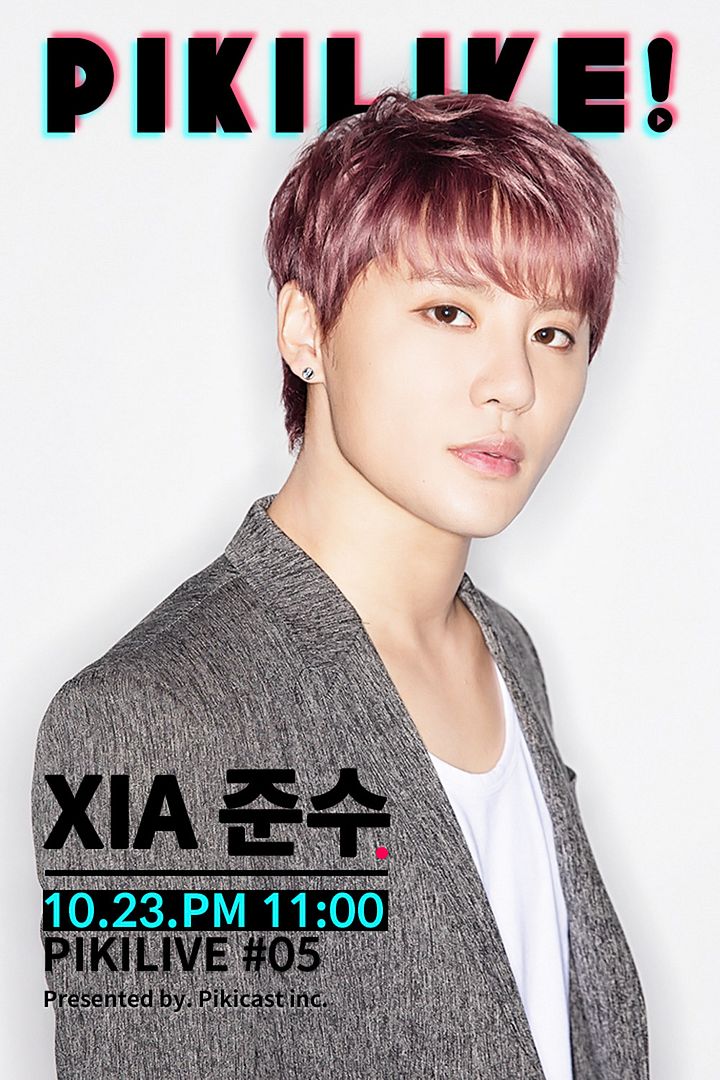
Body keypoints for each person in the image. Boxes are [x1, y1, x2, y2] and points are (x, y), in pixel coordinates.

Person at [32, 87, 649, 1079]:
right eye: (449, 311)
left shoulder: (506, 655)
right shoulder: (152, 719)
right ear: (305, 331)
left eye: (553, 333)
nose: (514, 385)